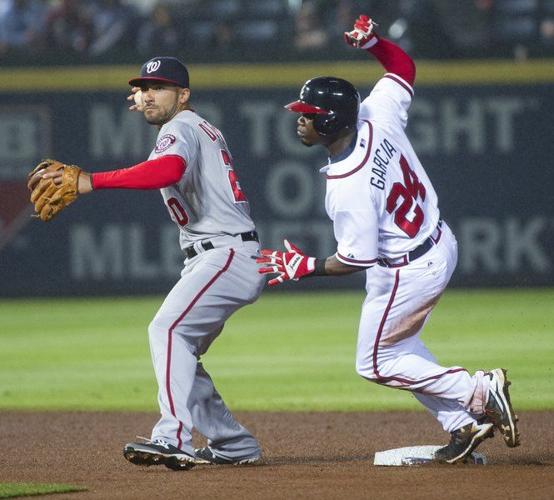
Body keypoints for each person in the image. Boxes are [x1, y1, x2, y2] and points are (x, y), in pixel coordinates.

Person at [257, 15, 520, 464]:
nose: (299, 122)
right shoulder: (376, 114)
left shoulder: (347, 186)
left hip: (406, 268)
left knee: (375, 362)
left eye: (309, 116)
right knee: (400, 349)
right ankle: (463, 425)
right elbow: (402, 69)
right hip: (437, 241)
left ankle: (478, 390)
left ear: (333, 121)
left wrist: (306, 267)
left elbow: (356, 259)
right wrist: (376, 43)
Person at [40, 57, 264, 470]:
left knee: (167, 329)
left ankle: (173, 436)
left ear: (184, 95)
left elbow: (167, 169)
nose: (147, 95)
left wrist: (93, 180)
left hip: (225, 253)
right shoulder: (193, 126)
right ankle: (234, 444)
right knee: (181, 350)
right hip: (222, 254)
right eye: (142, 88)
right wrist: (152, 102)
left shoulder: (180, 126)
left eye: (159, 88)